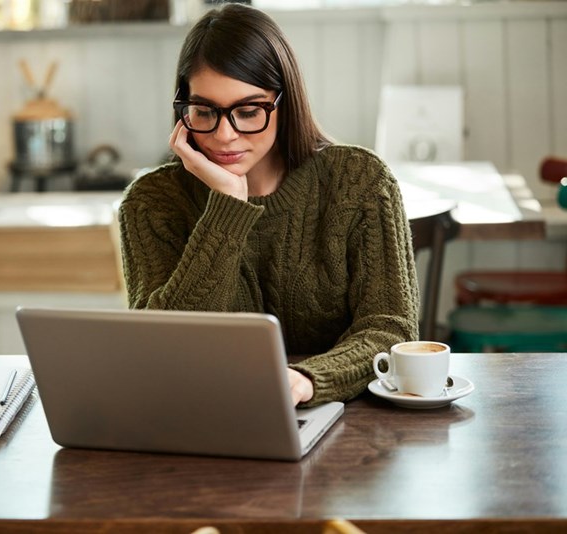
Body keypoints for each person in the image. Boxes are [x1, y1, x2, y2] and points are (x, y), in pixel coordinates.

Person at [117, 3, 419, 407]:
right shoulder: (152, 202)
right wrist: (226, 207)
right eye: (204, 111)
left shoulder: (359, 181)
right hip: (202, 416)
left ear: (285, 102)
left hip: (345, 421)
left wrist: (309, 381)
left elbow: (391, 329)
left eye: (247, 110)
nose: (225, 135)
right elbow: (160, 351)